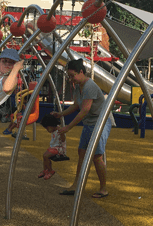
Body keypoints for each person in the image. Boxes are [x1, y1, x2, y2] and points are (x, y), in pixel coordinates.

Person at [51, 58, 111, 198]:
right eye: (69, 76)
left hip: (100, 121)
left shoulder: (89, 86)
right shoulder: (78, 86)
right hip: (90, 121)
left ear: (81, 72)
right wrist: (60, 114)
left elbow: (84, 110)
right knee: (82, 152)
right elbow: (76, 105)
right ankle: (77, 184)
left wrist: (67, 128)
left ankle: (103, 188)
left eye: (72, 75)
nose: (71, 79)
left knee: (96, 156)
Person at [39, 113, 66, 180]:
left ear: (52, 125)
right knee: (44, 155)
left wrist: (62, 133)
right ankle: (45, 170)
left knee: (46, 156)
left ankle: (51, 171)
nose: (47, 130)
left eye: (47, 128)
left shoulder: (59, 130)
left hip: (59, 149)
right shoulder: (53, 130)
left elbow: (63, 139)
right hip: (54, 148)